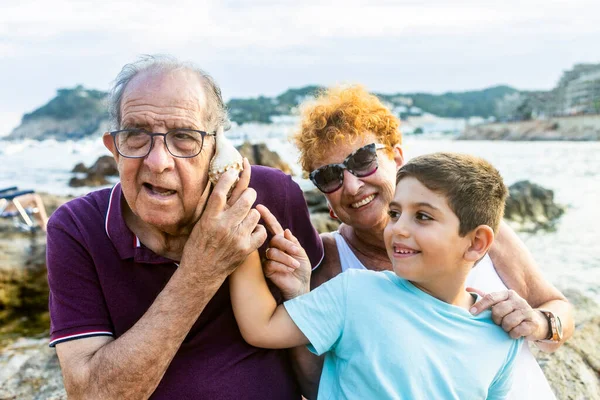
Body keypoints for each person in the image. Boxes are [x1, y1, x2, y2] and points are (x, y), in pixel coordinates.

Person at [261, 85, 573, 399]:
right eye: (329, 177)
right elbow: (320, 388)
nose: (353, 186)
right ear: (326, 198)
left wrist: (537, 323)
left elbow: (559, 307)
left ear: (397, 157)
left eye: (363, 159)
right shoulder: (327, 264)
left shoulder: (473, 231)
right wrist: (296, 297)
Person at [45, 55, 323, 399]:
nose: (158, 162)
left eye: (184, 137)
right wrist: (202, 270)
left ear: (216, 149)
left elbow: (320, 381)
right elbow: (91, 395)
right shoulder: (78, 228)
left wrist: (301, 301)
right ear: (114, 149)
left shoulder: (271, 197)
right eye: (135, 135)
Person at [231, 152, 522, 399]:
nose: (398, 229)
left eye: (422, 216)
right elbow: (261, 327)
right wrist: (240, 238)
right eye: (395, 214)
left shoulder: (500, 336)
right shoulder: (355, 292)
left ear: (476, 243)